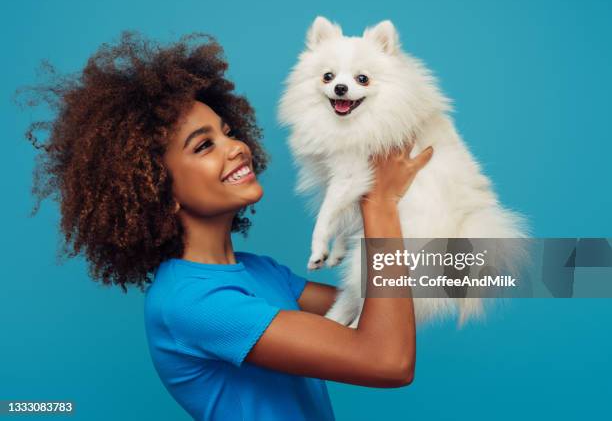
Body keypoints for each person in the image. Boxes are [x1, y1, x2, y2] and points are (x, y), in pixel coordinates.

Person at [24, 31, 433, 421]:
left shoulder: (258, 271)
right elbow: (387, 360)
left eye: (227, 132)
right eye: (204, 146)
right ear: (159, 189)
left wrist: (489, 261)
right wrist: (379, 201)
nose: (237, 147)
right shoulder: (192, 302)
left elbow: (389, 304)